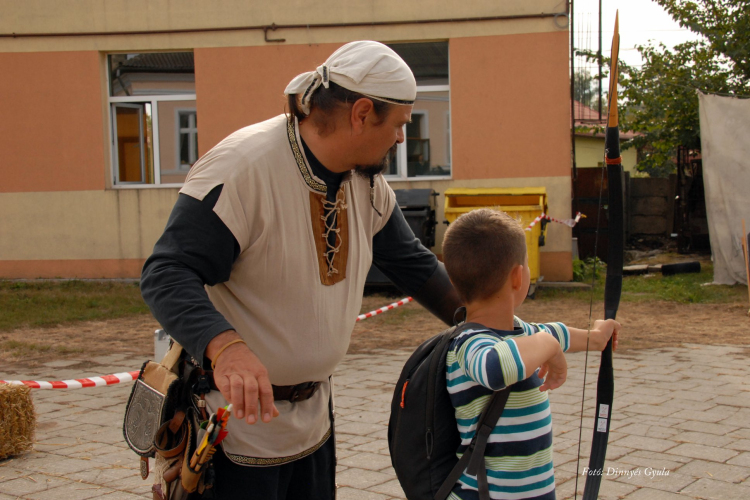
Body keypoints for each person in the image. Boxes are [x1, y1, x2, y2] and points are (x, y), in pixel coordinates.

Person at [140, 40, 463, 499]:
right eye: (399, 123)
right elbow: (166, 272)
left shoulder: (364, 183)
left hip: (313, 423)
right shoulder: (242, 169)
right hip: (233, 428)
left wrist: (483, 322)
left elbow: (412, 265)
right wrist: (226, 347)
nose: (401, 138)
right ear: (362, 112)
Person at [441, 209, 620, 500]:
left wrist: (601, 333)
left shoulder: (528, 333)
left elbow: (581, 338)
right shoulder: (467, 343)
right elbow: (494, 369)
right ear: (518, 277)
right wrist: (548, 344)